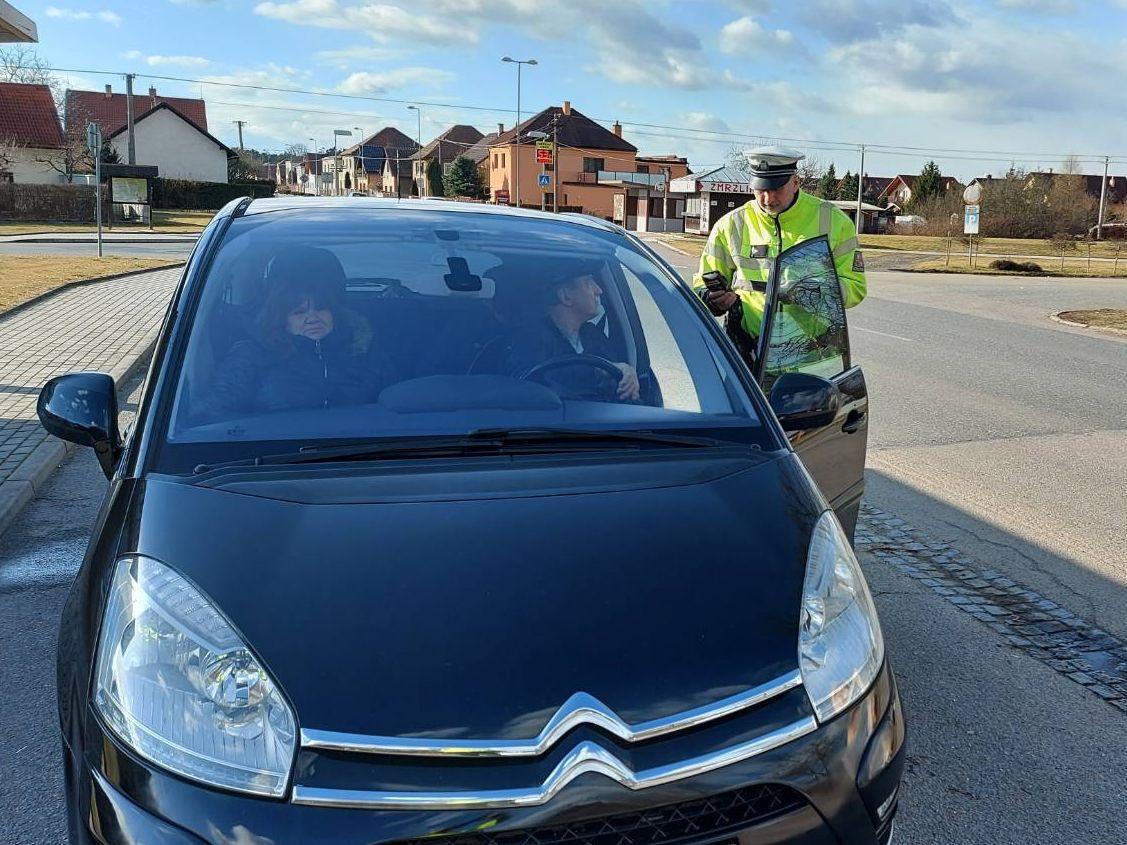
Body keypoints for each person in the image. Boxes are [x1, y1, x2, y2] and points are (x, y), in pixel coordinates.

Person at [694, 146, 867, 341]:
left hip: (811, 351)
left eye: (776, 189)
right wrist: (712, 299)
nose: (768, 199)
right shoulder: (732, 224)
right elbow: (702, 283)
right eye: (761, 190)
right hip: (748, 349)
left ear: (795, 182)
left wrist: (817, 292)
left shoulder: (833, 220)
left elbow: (855, 287)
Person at [205, 247, 393, 416]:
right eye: (299, 312)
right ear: (281, 318)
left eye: (320, 308)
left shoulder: (364, 350)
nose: (312, 318)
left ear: (333, 312)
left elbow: (397, 403)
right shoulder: (250, 357)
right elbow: (215, 413)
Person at [506, 266, 640, 401]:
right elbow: (537, 385)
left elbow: (616, 379)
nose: (599, 290)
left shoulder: (593, 334)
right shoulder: (530, 339)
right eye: (588, 282)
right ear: (566, 297)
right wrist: (597, 370)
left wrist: (627, 374)